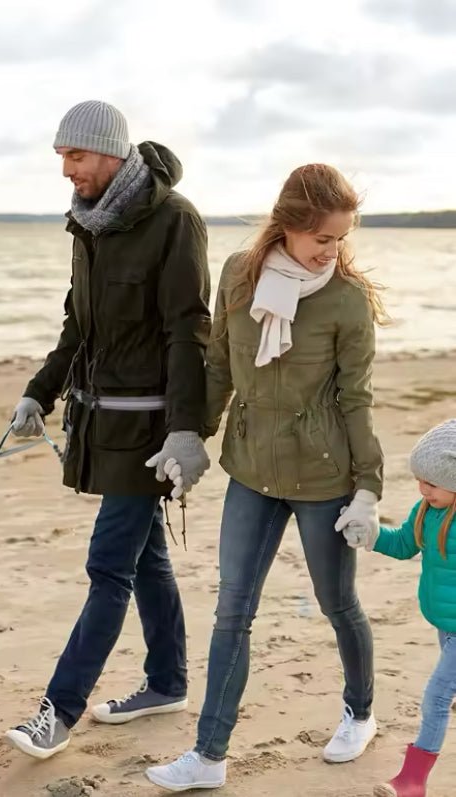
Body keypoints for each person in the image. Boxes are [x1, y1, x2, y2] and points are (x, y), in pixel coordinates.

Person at [146, 163, 389, 791]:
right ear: (288, 225)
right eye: (322, 239)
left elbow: (356, 399)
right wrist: (192, 436)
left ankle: (360, 712)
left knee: (339, 604)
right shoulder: (239, 273)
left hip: (325, 475)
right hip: (251, 468)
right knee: (233, 611)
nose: (330, 252)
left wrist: (368, 489)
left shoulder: (347, 299)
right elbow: (220, 365)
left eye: (339, 240)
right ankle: (209, 755)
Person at [4, 100, 212, 760]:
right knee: (145, 558)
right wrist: (40, 391)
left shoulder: (173, 220)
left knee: (108, 565)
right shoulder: (86, 225)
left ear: (112, 153)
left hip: (149, 430)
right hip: (99, 424)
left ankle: (58, 711)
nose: (67, 169)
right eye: (61, 157)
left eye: (77, 156)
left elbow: (189, 330)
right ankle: (168, 681)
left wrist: (187, 431)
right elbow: (78, 327)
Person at [342, 419, 456, 797]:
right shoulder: (428, 510)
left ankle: (412, 781)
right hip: (445, 622)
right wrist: (371, 536)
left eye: (432, 483)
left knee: (437, 697)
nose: (423, 490)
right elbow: (406, 544)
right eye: (419, 480)